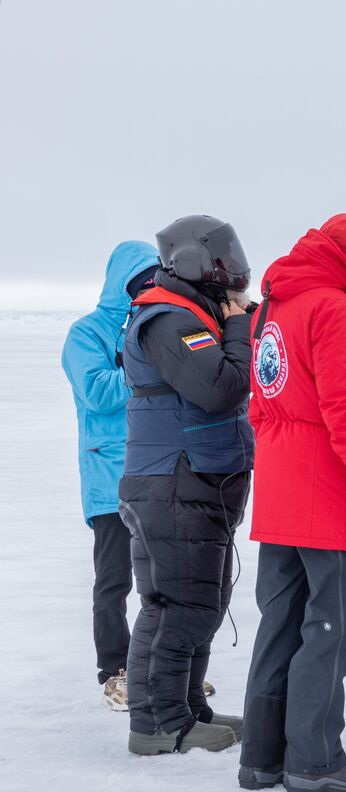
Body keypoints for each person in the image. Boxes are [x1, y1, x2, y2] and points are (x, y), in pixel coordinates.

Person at [238, 214, 346, 792]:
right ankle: (314, 758)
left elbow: (259, 404)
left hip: (281, 488)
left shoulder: (271, 307)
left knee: (280, 622)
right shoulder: (331, 310)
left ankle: (261, 758)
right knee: (332, 625)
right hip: (326, 492)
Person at [119, 215, 254, 755]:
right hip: (175, 481)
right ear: (196, 261)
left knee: (200, 600)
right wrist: (241, 327)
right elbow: (220, 388)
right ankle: (161, 723)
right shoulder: (171, 322)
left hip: (189, 479)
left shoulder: (192, 316)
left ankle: (187, 707)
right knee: (182, 606)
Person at [61, 241, 160, 710]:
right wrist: (148, 368)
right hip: (108, 477)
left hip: (154, 471)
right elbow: (99, 393)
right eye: (144, 279)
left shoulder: (148, 325)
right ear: (123, 283)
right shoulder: (86, 334)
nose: (152, 287)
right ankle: (115, 672)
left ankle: (159, 669)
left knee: (160, 580)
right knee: (115, 581)